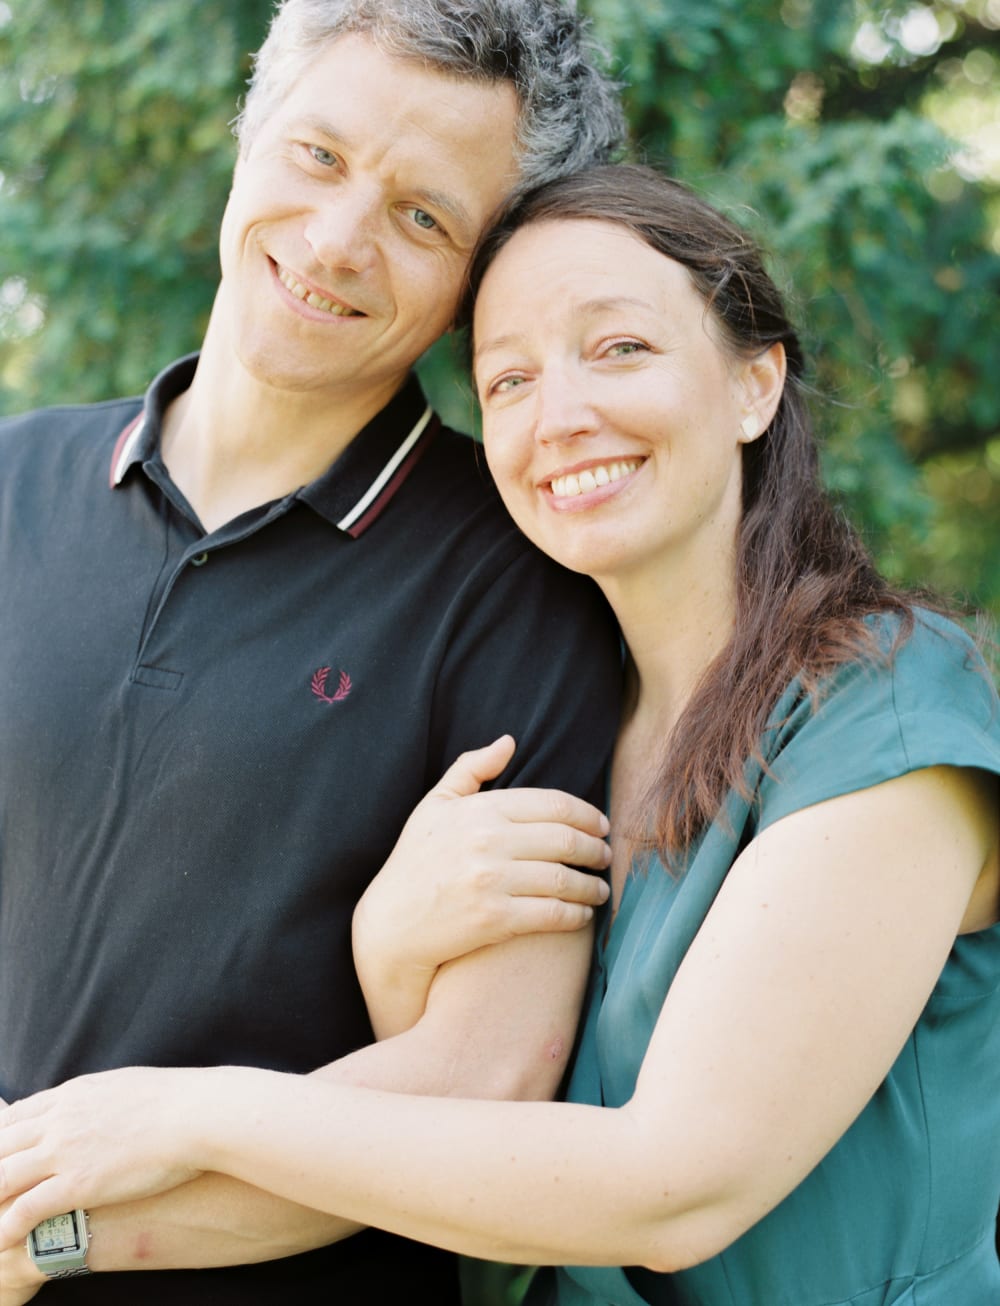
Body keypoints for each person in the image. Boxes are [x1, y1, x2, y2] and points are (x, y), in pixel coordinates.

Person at [3, 163, 999, 1305]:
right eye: (509, 378)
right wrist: (389, 961)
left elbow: (671, 1188)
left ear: (753, 385)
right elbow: (490, 1210)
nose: (560, 414)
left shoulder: (884, 706)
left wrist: (183, 1109)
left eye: (618, 348)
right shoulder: (579, 733)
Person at [0, 4, 629, 1302]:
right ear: (249, 134)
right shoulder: (11, 483)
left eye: (422, 218)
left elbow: (479, 1082)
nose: (336, 241)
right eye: (319, 156)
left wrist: (40, 1232)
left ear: (478, 283)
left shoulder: (526, 591)